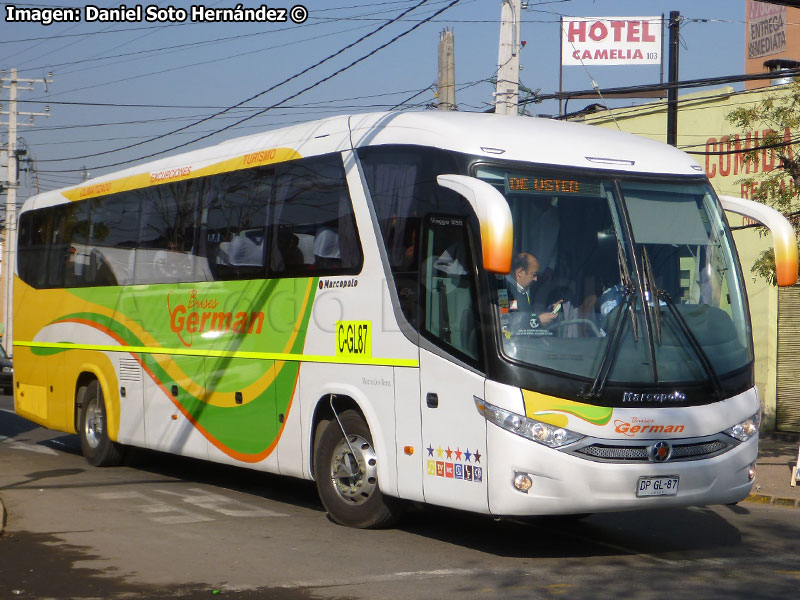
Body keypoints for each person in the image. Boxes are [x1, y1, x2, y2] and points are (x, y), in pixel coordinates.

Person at [503, 252, 562, 334]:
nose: (536, 279)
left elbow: (525, 315)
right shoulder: (503, 290)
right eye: (533, 275)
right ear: (520, 273)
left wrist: (549, 311)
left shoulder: (522, 290)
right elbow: (506, 324)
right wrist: (538, 321)